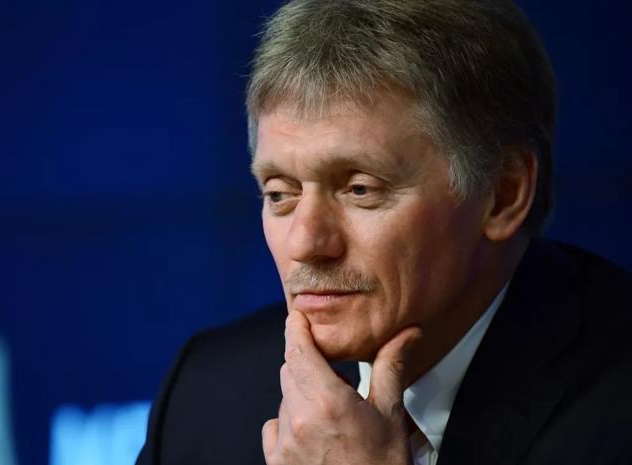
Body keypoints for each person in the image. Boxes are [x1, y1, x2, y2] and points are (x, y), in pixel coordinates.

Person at [136, 1, 632, 464]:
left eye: (360, 189)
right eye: (280, 194)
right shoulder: (206, 395)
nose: (305, 243)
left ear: (502, 195)